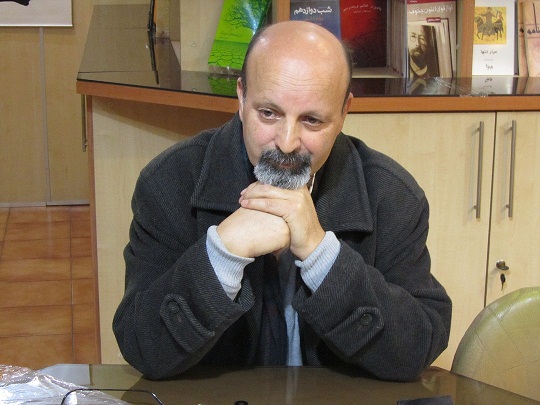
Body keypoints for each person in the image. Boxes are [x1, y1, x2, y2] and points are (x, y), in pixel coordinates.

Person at [113, 20, 452, 382]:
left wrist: (323, 257)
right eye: (268, 113)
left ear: (344, 112)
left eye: (312, 120)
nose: (287, 143)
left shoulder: (393, 196)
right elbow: (142, 348)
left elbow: (415, 349)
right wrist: (222, 254)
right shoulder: (168, 183)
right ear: (241, 97)